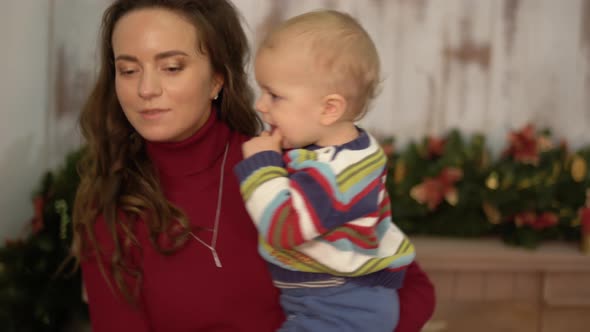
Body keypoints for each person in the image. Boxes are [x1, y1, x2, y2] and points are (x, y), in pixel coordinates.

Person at [71, 1, 435, 331]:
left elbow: (411, 287)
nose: (146, 88)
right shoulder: (110, 204)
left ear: (217, 77)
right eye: (129, 70)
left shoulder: (289, 164)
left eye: (171, 67)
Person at [234, 10, 415, 331]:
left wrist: (261, 166)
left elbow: (284, 227)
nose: (260, 106)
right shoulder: (327, 152)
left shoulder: (339, 174)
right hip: (323, 297)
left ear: (329, 108)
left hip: (341, 306)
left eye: (274, 95)